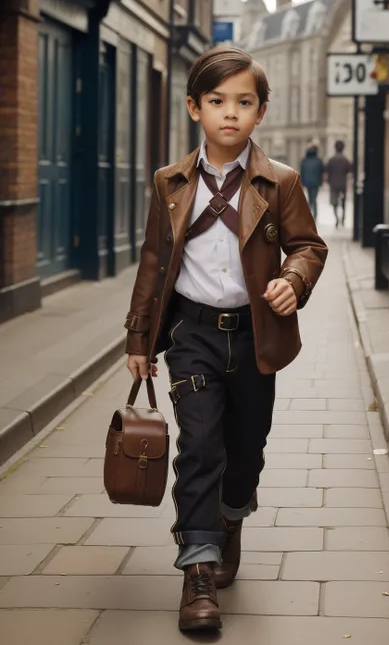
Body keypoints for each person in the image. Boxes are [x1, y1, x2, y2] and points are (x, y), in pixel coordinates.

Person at [124, 47, 328, 633]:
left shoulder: (281, 182)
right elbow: (153, 262)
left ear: (261, 112)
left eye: (243, 102)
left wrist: (294, 280)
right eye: (217, 102)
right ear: (195, 108)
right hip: (191, 334)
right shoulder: (170, 182)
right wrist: (140, 340)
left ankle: (231, 518)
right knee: (200, 447)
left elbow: (308, 246)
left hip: (256, 337)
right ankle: (198, 569)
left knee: (245, 452)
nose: (230, 113)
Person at [325, 139, 353, 227]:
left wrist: (329, 181)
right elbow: (350, 170)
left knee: (334, 203)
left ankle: (336, 218)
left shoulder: (331, 160)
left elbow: (327, 171)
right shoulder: (345, 160)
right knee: (343, 202)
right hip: (343, 184)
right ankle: (343, 219)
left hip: (333, 184)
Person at [300, 143, 324, 218]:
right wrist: (321, 182)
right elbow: (321, 172)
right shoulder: (318, 160)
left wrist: (302, 182)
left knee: (310, 198)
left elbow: (302, 172)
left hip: (307, 182)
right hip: (316, 182)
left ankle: (309, 214)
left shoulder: (304, 160)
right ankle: (315, 215)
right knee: (314, 198)